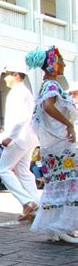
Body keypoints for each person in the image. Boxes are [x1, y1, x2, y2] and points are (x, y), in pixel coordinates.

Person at [25, 46, 78, 243]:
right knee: (68, 180)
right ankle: (61, 226)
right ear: (53, 64)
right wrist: (69, 124)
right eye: (61, 60)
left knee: (59, 182)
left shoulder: (47, 85)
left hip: (55, 144)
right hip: (60, 144)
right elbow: (48, 107)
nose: (63, 64)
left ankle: (57, 227)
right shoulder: (52, 86)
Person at [0, 62, 39, 221]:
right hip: (27, 138)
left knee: (3, 170)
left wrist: (10, 137)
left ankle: (27, 201)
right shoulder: (24, 91)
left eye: (7, 74)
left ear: (16, 75)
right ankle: (36, 207)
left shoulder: (18, 92)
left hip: (18, 138)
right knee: (24, 172)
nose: (5, 77)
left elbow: (21, 118)